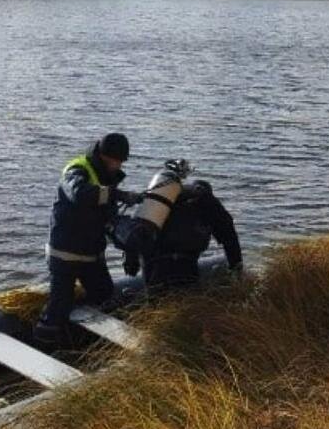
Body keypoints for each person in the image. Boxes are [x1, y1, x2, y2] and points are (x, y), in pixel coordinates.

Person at [35, 133, 143, 343]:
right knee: (58, 307)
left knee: (106, 298)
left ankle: (94, 342)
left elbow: (109, 220)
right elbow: (80, 194)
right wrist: (119, 195)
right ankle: (46, 342)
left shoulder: (106, 177)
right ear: (104, 156)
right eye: (117, 160)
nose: (119, 165)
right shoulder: (77, 170)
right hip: (65, 255)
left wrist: (130, 250)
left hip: (91, 256)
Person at [125, 177, 242, 289]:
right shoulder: (209, 204)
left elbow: (138, 229)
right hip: (185, 261)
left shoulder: (162, 201)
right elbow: (230, 239)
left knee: (155, 300)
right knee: (185, 299)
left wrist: (131, 263)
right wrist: (236, 269)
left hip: (152, 262)